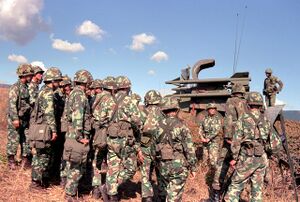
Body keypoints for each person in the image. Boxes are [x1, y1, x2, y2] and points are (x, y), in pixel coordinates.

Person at [224, 92, 271, 202]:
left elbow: (236, 142)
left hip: (247, 158)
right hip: (262, 158)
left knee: (235, 186)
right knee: (257, 190)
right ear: (260, 105)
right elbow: (273, 142)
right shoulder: (266, 119)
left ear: (248, 105)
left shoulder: (243, 118)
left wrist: (234, 158)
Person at [105, 76, 145, 202]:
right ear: (127, 87)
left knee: (112, 167)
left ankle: (111, 193)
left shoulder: (108, 100)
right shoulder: (129, 101)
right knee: (131, 167)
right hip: (124, 140)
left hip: (111, 138)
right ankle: (115, 186)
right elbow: (138, 120)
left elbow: (101, 118)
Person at [156, 96, 197, 202]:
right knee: (174, 197)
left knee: (165, 192)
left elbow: (152, 147)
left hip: (162, 165)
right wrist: (193, 167)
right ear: (177, 110)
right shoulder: (182, 126)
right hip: (178, 165)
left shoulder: (157, 125)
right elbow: (189, 149)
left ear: (164, 111)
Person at [211, 84, 248, 201]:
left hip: (232, 137)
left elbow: (228, 119)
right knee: (243, 163)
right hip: (246, 137)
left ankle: (216, 191)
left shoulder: (231, 101)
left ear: (233, 92)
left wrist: (228, 137)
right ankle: (239, 192)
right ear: (242, 92)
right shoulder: (248, 102)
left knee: (223, 162)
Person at [29, 67, 62, 190]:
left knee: (40, 154)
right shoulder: (48, 93)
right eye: (57, 80)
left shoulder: (43, 91)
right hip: (44, 128)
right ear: (52, 81)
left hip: (40, 127)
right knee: (42, 156)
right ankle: (35, 183)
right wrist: (54, 130)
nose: (59, 83)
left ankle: (40, 181)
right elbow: (49, 113)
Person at [63, 70, 93, 201]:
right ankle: (70, 195)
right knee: (77, 165)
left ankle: (71, 191)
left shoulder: (73, 93)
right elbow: (78, 117)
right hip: (77, 136)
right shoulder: (80, 95)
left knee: (72, 164)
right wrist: (80, 137)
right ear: (86, 82)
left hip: (71, 134)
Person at [91, 76, 117, 199]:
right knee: (109, 160)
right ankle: (107, 188)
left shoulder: (96, 98)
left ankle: (95, 189)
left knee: (96, 160)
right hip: (105, 133)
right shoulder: (110, 99)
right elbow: (110, 118)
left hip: (96, 132)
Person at [7, 64, 33, 170]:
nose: (31, 77)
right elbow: (12, 104)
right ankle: (11, 161)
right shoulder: (15, 87)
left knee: (26, 140)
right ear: (24, 75)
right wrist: (15, 119)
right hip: (16, 119)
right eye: (29, 75)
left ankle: (24, 161)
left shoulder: (26, 87)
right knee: (14, 140)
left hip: (25, 119)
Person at [140, 90, 163, 202]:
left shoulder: (143, 111)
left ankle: (147, 196)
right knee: (160, 170)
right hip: (160, 144)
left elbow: (137, 127)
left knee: (145, 171)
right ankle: (162, 194)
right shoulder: (164, 111)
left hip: (146, 143)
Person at [199, 103, 222, 169]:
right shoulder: (204, 119)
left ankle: (213, 173)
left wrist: (208, 138)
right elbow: (201, 128)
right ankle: (203, 171)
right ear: (208, 110)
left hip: (214, 141)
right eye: (211, 109)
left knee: (213, 159)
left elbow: (216, 131)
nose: (212, 110)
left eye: (214, 109)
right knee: (205, 157)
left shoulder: (217, 119)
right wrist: (201, 137)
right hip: (205, 141)